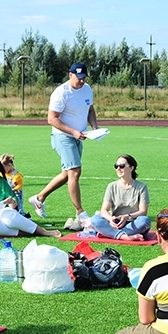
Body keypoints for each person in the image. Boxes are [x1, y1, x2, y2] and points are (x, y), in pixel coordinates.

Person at [29, 62, 99, 223]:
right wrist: (73, 131)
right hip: (63, 136)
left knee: (67, 174)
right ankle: (80, 212)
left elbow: (90, 110)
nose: (81, 81)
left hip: (79, 136)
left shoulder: (87, 89)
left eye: (84, 78)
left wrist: (94, 125)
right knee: (75, 171)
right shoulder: (61, 93)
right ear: (70, 75)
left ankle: (39, 199)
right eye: (79, 77)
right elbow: (52, 119)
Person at [0, 154, 61, 238]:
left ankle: (43, 232)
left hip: (2, 212)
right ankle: (23, 233)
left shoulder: (0, 181)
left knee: (10, 217)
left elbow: (14, 200)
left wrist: (12, 202)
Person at [87, 154, 151, 240]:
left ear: (131, 168)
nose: (118, 169)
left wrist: (127, 216)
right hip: (115, 223)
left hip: (133, 223)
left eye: (121, 166)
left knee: (144, 221)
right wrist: (110, 219)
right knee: (95, 219)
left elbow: (143, 211)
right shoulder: (111, 186)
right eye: (116, 166)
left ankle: (110, 233)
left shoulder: (141, 187)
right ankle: (125, 237)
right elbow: (104, 210)